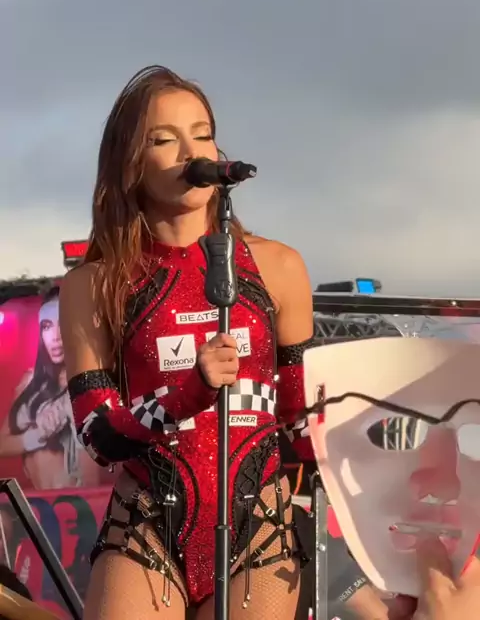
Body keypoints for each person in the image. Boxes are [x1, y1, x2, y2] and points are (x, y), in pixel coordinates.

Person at [59, 66, 392, 620]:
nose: (191, 152)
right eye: (163, 139)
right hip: (145, 527)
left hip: (259, 529)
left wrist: (375, 436)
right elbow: (98, 436)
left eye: (203, 134)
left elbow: (301, 421)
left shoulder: (278, 266)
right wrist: (186, 395)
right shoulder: (93, 284)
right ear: (129, 163)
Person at [0, 290, 102, 490]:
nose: (55, 337)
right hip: (40, 503)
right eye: (46, 326)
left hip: (84, 501)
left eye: (62, 323)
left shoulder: (93, 382)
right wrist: (36, 434)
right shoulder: (30, 384)